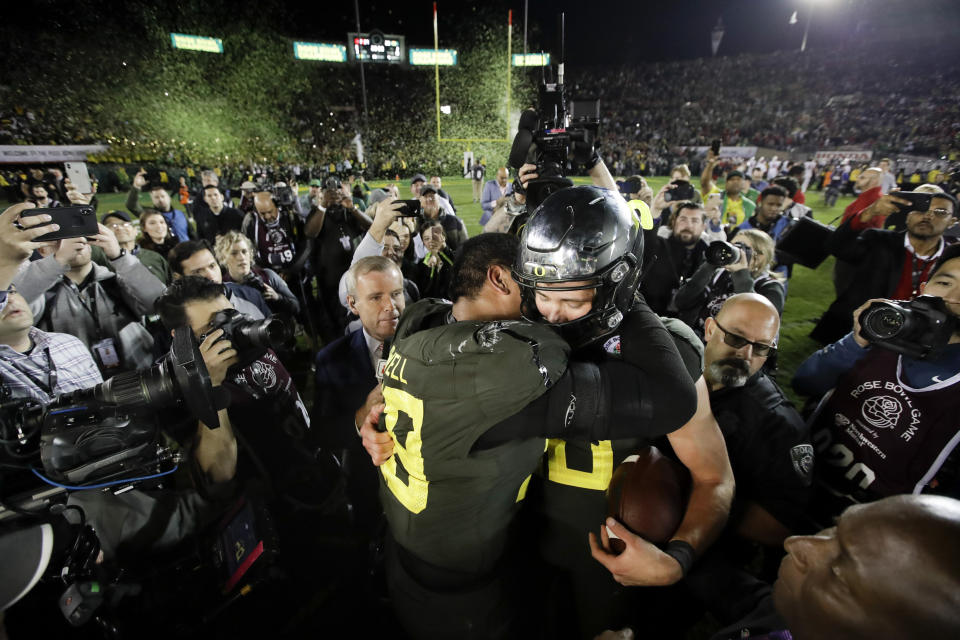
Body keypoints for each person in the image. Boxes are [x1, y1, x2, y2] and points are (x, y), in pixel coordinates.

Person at [361, 218, 700, 639]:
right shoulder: (505, 370)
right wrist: (622, 284)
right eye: (537, 283)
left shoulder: (421, 318)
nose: (546, 300)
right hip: (464, 589)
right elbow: (672, 398)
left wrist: (367, 413)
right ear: (500, 278)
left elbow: (382, 392)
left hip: (411, 547)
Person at [794, 243, 960, 527]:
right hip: (800, 482)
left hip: (870, 530)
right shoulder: (885, 332)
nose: (954, 297)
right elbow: (806, 382)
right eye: (945, 282)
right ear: (924, 286)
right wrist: (856, 339)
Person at [682, 294, 812, 625]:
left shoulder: (778, 426)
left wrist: (691, 501)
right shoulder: (675, 367)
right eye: (736, 338)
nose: (746, 355)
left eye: (762, 348)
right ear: (710, 328)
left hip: (707, 551)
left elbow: (776, 524)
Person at [709, 495, 960, 640]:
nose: (795, 543)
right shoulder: (795, 615)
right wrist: (683, 554)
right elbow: (754, 603)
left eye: (838, 572)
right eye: (835, 528)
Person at [314, 257, 406, 538]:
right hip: (368, 486)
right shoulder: (331, 359)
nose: (390, 306)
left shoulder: (432, 343)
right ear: (353, 305)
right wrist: (361, 414)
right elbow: (322, 433)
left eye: (396, 294)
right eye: (376, 297)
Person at [13, 224, 165, 375]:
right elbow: (10, 304)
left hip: (142, 376)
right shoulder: (40, 292)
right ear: (42, 250)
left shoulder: (114, 281)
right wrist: (56, 263)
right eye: (59, 241)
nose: (73, 244)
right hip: (79, 387)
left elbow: (159, 302)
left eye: (77, 238)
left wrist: (119, 256)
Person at [811, 187, 957, 344]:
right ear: (906, 214)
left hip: (918, 341)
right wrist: (868, 213)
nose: (928, 216)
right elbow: (836, 247)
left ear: (952, 222)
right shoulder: (878, 240)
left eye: (940, 212)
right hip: (863, 332)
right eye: (920, 209)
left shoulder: (954, 258)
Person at [674, 229, 785, 339]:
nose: (732, 251)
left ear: (760, 257)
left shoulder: (771, 287)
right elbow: (681, 301)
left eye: (741, 248)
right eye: (732, 246)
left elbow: (758, 324)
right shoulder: (718, 275)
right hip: (697, 339)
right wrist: (709, 265)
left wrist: (741, 274)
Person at [167, 239, 270, 319]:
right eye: (197, 272)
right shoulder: (179, 317)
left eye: (212, 266)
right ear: (179, 277)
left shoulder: (250, 295)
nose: (211, 276)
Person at [640, 201, 711, 315]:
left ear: (703, 227)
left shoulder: (709, 259)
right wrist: (656, 209)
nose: (688, 225)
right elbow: (646, 237)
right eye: (683, 219)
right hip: (648, 315)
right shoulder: (659, 246)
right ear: (674, 222)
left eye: (695, 220)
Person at [214, 231, 299, 316]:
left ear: (250, 254)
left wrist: (277, 297)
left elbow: (296, 307)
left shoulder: (267, 275)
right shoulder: (223, 289)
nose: (241, 257)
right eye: (234, 253)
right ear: (223, 258)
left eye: (244, 251)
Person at [241, 190, 310, 277]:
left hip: (293, 273)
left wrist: (292, 269)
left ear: (277, 206)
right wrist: (263, 272)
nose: (267, 216)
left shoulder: (290, 217)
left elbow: (306, 245)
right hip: (266, 276)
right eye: (262, 213)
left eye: (270, 212)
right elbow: (247, 250)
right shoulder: (250, 221)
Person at [100, 210, 171, 284]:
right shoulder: (100, 261)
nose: (119, 228)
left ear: (135, 231)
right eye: (112, 225)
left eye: (125, 224)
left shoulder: (155, 257)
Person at [126, 170, 193, 242]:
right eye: (156, 197)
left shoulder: (180, 214)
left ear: (169, 198)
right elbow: (131, 205)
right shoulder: (150, 215)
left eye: (162, 196)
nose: (160, 199)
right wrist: (136, 186)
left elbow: (192, 234)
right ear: (152, 200)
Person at [701, 150, 756, 228]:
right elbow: (705, 183)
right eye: (732, 179)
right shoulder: (716, 195)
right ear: (726, 183)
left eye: (739, 179)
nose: (735, 182)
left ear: (743, 183)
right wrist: (710, 164)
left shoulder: (749, 205)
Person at [411, 219, 454, 299]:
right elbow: (425, 291)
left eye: (434, 237)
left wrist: (442, 251)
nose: (431, 241)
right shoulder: (422, 265)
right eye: (427, 239)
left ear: (443, 237)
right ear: (423, 242)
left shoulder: (456, 257)